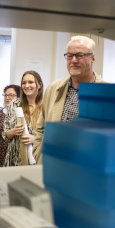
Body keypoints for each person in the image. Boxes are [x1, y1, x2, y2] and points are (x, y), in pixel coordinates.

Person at [34, 36, 106, 164]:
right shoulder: (54, 89)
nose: (73, 60)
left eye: (79, 55)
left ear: (93, 58)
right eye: (69, 55)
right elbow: (40, 129)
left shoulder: (106, 92)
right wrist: (40, 156)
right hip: (53, 163)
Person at [3, 71, 44, 166]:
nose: (26, 85)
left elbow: (51, 135)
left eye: (30, 82)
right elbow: (5, 135)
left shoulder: (46, 106)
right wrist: (13, 131)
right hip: (14, 159)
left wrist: (35, 139)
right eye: (23, 83)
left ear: (40, 85)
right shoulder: (15, 104)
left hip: (36, 158)